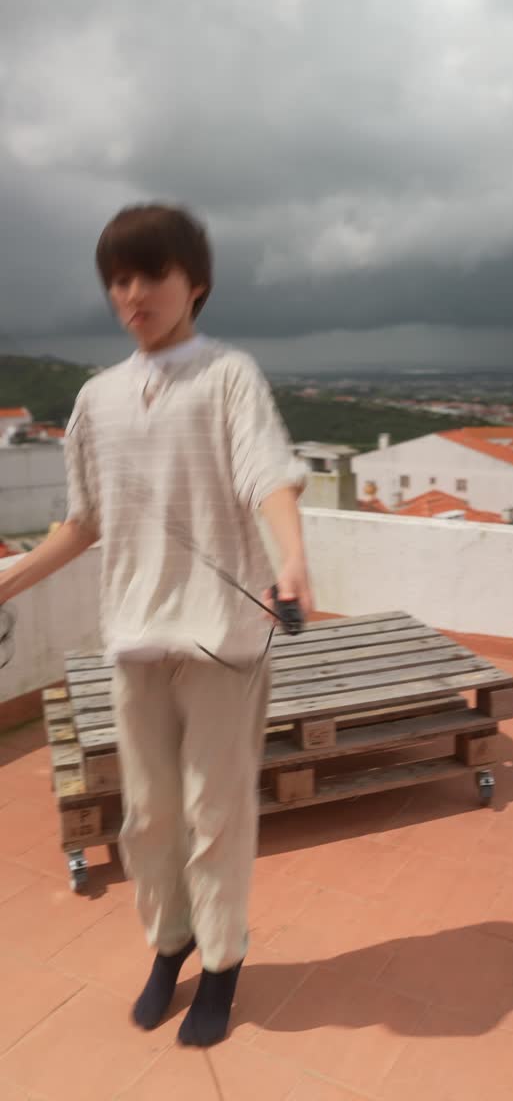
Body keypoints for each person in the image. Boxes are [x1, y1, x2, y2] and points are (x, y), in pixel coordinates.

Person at [0, 203, 314, 1047]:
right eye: (118, 278)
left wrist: (291, 558)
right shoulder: (95, 398)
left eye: (150, 274)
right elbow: (84, 520)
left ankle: (221, 960)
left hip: (222, 638)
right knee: (147, 817)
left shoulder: (229, 375)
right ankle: (169, 944)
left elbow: (267, 476)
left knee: (217, 814)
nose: (132, 292)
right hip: (134, 637)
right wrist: (10, 579)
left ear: (195, 285)